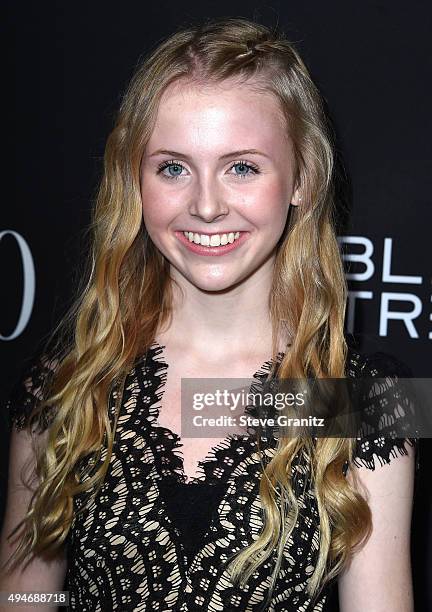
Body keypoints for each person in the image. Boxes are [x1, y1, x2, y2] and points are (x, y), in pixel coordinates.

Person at [0, 17, 419, 612]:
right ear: (133, 180)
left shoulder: (363, 401)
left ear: (302, 178)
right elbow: (24, 602)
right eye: (172, 167)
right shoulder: (67, 386)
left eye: (242, 167)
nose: (205, 205)